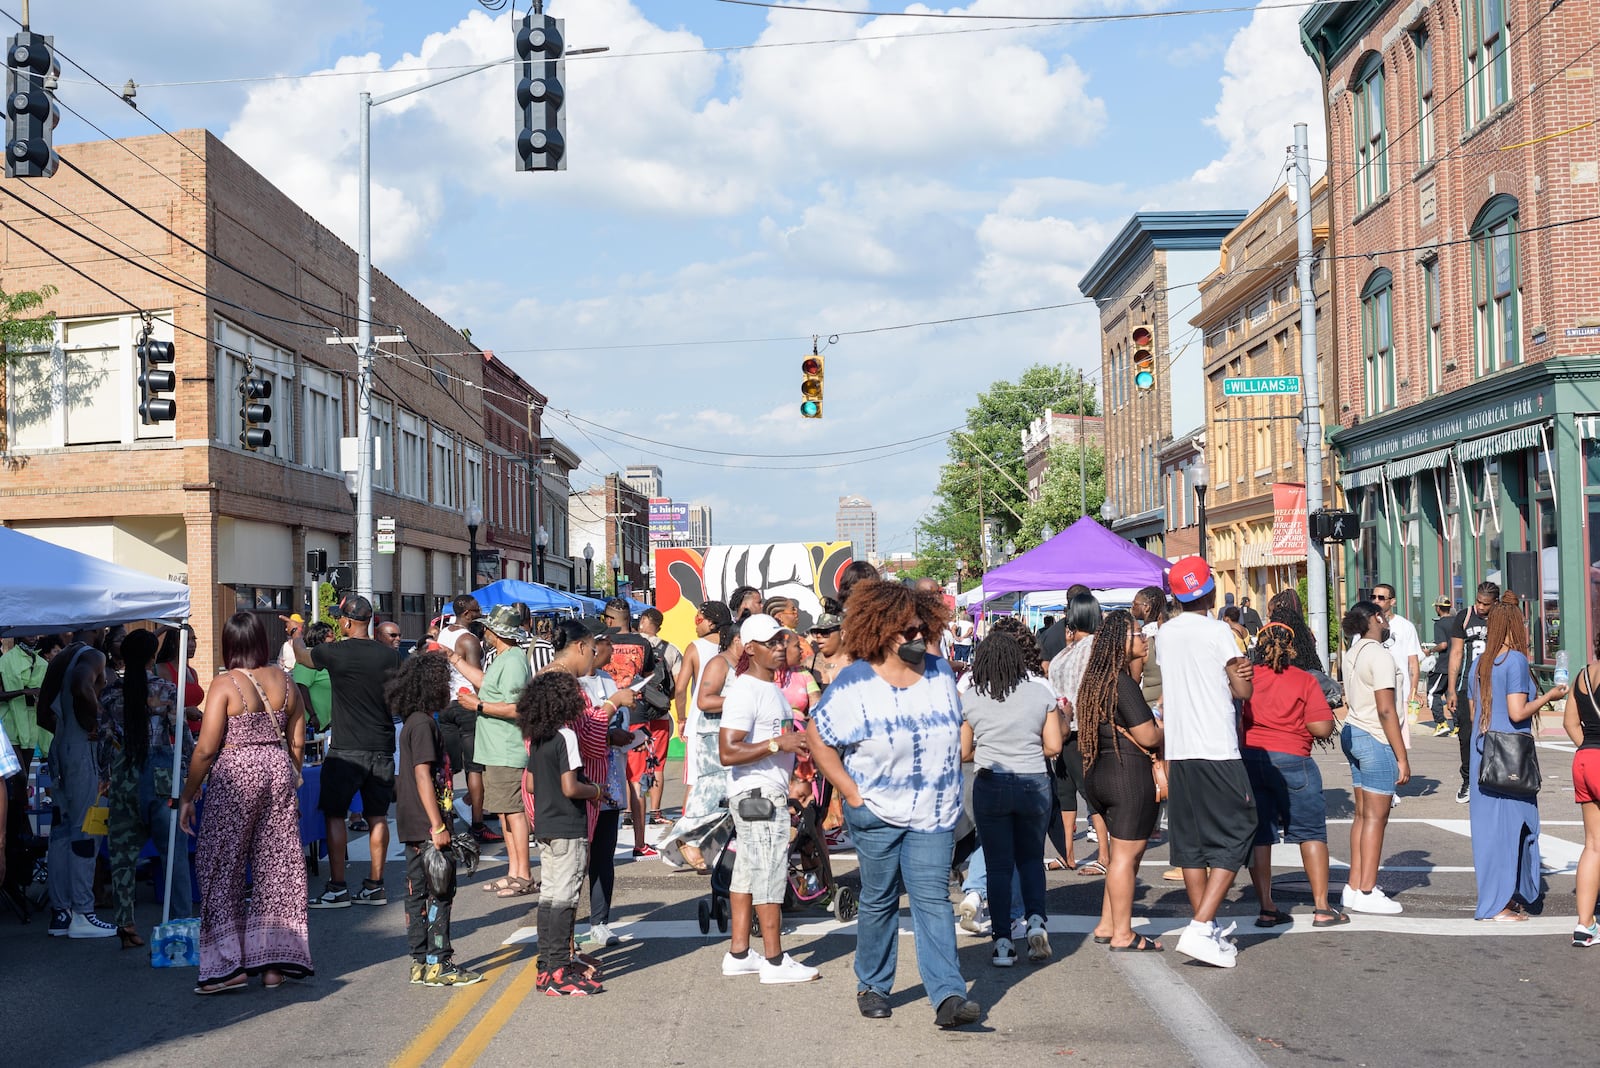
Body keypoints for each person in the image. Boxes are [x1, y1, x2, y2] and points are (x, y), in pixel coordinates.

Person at [807, 580, 980, 1029]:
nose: (916, 637)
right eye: (906, 631)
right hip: (877, 810)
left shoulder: (941, 671)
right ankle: (873, 985)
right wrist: (849, 791)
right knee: (880, 899)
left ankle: (948, 994)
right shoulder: (854, 682)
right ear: (882, 630)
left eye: (921, 628)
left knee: (933, 900)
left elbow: (958, 722)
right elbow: (819, 738)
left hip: (935, 812)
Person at [179, 612, 312, 993]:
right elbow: (297, 743)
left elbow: (205, 749)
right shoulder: (288, 683)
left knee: (221, 863)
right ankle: (274, 964)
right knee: (277, 867)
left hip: (236, 773)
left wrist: (188, 794)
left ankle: (227, 966)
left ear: (230, 645)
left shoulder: (225, 683)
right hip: (278, 769)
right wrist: (290, 777)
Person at [1155, 556, 1256, 968]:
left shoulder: (1165, 634)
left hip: (1180, 748)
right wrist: (1244, 672)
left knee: (1192, 844)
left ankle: (1206, 927)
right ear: (1211, 592)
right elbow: (1243, 691)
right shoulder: (1219, 631)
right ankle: (1200, 926)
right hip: (1216, 745)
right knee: (1241, 828)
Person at [718, 614, 820, 984]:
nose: (779, 647)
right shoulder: (747, 689)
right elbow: (727, 751)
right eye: (770, 642)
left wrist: (791, 755)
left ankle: (740, 952)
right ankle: (775, 962)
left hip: (763, 790)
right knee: (769, 876)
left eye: (781, 640)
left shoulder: (768, 687)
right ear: (750, 648)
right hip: (758, 795)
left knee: (746, 875)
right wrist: (780, 744)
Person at [287, 595, 407, 908]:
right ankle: (375, 885)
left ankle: (338, 887)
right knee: (378, 816)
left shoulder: (335, 651)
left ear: (347, 622)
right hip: (381, 744)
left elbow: (301, 657)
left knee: (336, 814)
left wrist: (296, 633)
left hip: (346, 749)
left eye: (340, 618)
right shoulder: (390, 657)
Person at [960, 632, 1062, 967]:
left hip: (991, 781)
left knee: (998, 866)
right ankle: (1035, 921)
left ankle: (1002, 942)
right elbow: (1054, 746)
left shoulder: (973, 696)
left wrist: (987, 749)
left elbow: (963, 752)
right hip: (1033, 780)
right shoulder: (1038, 693)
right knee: (1031, 859)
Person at [1468, 597, 1565, 922]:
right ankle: (1501, 904)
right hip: (1511, 756)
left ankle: (1499, 898)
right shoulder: (1516, 662)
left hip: (1483, 753)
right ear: (1515, 627)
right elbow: (1517, 711)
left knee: (1489, 833)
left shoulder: (1480, 662)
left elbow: (1474, 712)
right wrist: (1549, 697)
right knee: (1521, 826)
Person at [1241, 622, 1344, 928]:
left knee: (1261, 836)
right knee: (1311, 833)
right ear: (1293, 647)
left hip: (1252, 759)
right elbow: (1322, 728)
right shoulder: (1304, 680)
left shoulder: (1248, 679)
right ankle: (1323, 908)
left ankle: (1267, 907)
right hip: (1294, 759)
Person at [1076, 610, 1165, 951]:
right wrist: (1163, 722)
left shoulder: (1095, 680)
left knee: (1118, 858)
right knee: (1126, 858)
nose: (1145, 640)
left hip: (1099, 775)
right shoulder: (1122, 682)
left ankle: (1107, 923)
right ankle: (1124, 934)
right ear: (1121, 643)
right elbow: (1148, 735)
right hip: (1127, 777)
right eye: (1139, 634)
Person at [391, 652, 481, 987]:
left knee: (417, 892)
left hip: (412, 822)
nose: (448, 688)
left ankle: (419, 962)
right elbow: (422, 775)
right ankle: (438, 962)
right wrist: (439, 825)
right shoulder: (424, 724)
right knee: (440, 892)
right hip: (428, 824)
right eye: (444, 681)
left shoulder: (414, 721)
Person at [549, 620, 638, 949]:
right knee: (568, 873)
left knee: (598, 858)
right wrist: (612, 705)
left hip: (600, 783)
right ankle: (561, 955)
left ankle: (586, 932)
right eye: (602, 643)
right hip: (576, 788)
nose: (609, 651)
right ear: (587, 646)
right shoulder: (562, 683)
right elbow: (585, 734)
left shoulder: (595, 679)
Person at [100, 629, 191, 947]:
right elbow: (182, 738)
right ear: (154, 656)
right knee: (174, 856)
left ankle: (125, 925)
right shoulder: (166, 689)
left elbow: (105, 741)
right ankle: (181, 924)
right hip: (162, 776)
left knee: (122, 856)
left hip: (125, 776)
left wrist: (105, 776)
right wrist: (190, 778)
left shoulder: (110, 694)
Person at [521, 671, 606, 996]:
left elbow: (529, 783)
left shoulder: (540, 736)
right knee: (566, 897)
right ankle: (560, 970)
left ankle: (546, 966)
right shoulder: (566, 736)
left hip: (544, 824)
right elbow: (571, 787)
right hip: (568, 826)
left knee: (549, 896)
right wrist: (597, 790)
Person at [455, 606, 536, 899]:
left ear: (497, 633)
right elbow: (486, 683)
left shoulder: (512, 661)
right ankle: (514, 872)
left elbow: (517, 708)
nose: (484, 632)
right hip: (496, 750)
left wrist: (478, 706)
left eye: (487, 628)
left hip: (506, 749)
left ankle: (522, 874)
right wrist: (454, 659)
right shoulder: (504, 658)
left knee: (513, 813)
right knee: (504, 813)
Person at [1339, 600, 1408, 915]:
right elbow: (1385, 709)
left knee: (1362, 815)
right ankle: (1366, 887)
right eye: (1384, 615)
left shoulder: (1353, 652)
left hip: (1353, 731)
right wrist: (1402, 757)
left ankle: (1354, 886)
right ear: (1376, 618)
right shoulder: (1380, 655)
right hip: (1375, 737)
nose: (1387, 619)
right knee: (1377, 819)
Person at [41, 641, 114, 938]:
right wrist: (97, 720)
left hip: (61, 747)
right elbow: (81, 686)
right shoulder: (91, 654)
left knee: (60, 832)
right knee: (86, 831)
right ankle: (83, 913)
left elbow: (43, 713)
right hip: (81, 749)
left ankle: (62, 913)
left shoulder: (60, 660)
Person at [660, 617, 741, 872]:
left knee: (728, 792)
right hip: (711, 734)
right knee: (709, 789)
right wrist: (682, 718)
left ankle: (709, 845)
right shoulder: (718, 661)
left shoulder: (740, 662)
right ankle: (687, 835)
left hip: (730, 733)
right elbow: (697, 696)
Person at [1047, 591, 1112, 875]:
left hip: (1080, 728)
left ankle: (1105, 856)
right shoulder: (1073, 647)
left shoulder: (1091, 647)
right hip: (1064, 729)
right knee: (1065, 792)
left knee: (1090, 794)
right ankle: (1068, 853)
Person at [598, 599, 665, 856]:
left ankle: (604, 841)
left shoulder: (600, 641)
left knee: (602, 778)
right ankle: (640, 843)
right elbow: (647, 673)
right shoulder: (643, 643)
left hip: (605, 713)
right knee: (636, 782)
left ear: (610, 619)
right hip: (636, 712)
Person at [436, 597, 493, 842]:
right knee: (475, 768)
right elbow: (476, 679)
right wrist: (486, 706)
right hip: (466, 704)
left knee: (447, 767)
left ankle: (445, 819)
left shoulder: (443, 634)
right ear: (468, 613)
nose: (481, 613)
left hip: (446, 705)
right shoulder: (469, 640)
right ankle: (477, 825)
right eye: (478, 610)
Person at [1446, 582, 1500, 803]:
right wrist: (1451, 688)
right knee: (1466, 734)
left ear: (1495, 603)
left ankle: (1496, 778)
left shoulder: (1501, 618)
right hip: (1468, 683)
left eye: (1485, 603)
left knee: (1496, 733)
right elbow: (1456, 652)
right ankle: (1468, 780)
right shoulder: (1465, 616)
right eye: (1478, 601)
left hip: (1495, 683)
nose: (1480, 606)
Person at [1565, 629, 1600, 946]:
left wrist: (1590, 749)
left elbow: (1569, 723)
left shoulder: (1583, 675)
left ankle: (1584, 925)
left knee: (1593, 844)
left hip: (1585, 759)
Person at [637, 606, 684, 822]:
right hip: (659, 714)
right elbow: (678, 685)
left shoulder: (630, 645)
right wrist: (667, 700)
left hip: (634, 713)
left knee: (633, 763)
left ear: (644, 621)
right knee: (657, 763)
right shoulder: (670, 650)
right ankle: (655, 812)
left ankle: (630, 812)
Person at [1374, 582, 1422, 753]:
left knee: (1397, 741)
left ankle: (1396, 772)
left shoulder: (1405, 626)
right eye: (1373, 597)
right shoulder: (1366, 624)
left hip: (1399, 692)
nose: (1376, 601)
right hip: (1373, 690)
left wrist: (1413, 692)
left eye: (1381, 597)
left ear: (1392, 602)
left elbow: (1413, 663)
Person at [292, 622, 335, 733]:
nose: (335, 642)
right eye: (331, 638)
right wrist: (312, 715)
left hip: (327, 724)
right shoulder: (308, 659)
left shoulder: (327, 660)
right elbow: (301, 687)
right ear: (319, 638)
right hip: (311, 725)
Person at [1427, 597, 1456, 736]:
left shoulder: (1439, 624)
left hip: (1444, 665)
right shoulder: (1457, 621)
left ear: (1438, 608)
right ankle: (1458, 726)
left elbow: (1443, 644)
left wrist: (1431, 650)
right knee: (1452, 694)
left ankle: (1441, 723)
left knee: (1433, 693)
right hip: (1457, 665)